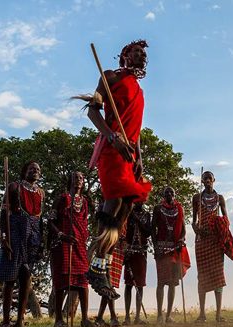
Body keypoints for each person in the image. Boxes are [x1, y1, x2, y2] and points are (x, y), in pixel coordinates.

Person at [76, 39, 152, 299]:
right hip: (111, 149)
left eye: (144, 54)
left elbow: (137, 129)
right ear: (125, 56)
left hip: (129, 153)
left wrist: (139, 156)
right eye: (136, 52)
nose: (141, 56)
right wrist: (111, 137)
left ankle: (101, 263)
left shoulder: (140, 91)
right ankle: (97, 262)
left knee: (127, 206)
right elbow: (93, 112)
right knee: (116, 198)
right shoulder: (109, 77)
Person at [0, 161, 45, 327]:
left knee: (25, 278)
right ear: (25, 171)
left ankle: (20, 321)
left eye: (38, 169)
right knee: (9, 279)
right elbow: (3, 213)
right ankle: (5, 322)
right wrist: (4, 238)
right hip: (14, 234)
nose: (35, 171)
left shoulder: (41, 193)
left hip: (32, 237)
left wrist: (40, 243)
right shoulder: (14, 187)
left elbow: (38, 219)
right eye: (32, 168)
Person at [49, 171, 94, 327]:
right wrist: (62, 235)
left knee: (83, 281)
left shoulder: (85, 202)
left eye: (81, 178)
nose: (79, 180)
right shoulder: (61, 199)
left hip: (79, 244)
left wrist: (83, 236)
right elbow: (50, 222)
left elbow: (84, 222)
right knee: (62, 281)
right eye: (75, 178)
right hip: (63, 245)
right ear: (70, 181)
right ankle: (59, 320)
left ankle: (85, 318)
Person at [192, 172, 233, 322]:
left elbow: (226, 219)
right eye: (205, 178)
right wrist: (197, 229)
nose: (208, 180)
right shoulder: (197, 198)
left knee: (218, 275)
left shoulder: (220, 198)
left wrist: (220, 228)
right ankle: (202, 314)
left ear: (214, 180)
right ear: (202, 181)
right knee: (201, 275)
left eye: (210, 178)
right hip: (202, 240)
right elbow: (193, 221)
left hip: (216, 241)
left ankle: (218, 314)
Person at [152, 187, 191, 323]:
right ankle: (159, 315)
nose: (169, 194)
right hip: (162, 249)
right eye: (166, 193)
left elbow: (184, 230)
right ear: (163, 195)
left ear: (175, 195)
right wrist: (156, 246)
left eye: (172, 193)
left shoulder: (180, 209)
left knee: (173, 283)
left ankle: (168, 315)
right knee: (161, 282)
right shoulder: (157, 209)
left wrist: (181, 240)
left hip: (175, 249)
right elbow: (153, 229)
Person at [123, 202, 151, 325]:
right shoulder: (128, 214)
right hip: (129, 252)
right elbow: (123, 232)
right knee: (128, 284)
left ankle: (137, 317)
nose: (139, 202)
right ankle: (127, 317)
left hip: (142, 252)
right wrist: (125, 250)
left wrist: (138, 221)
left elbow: (148, 232)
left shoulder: (147, 215)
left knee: (140, 284)